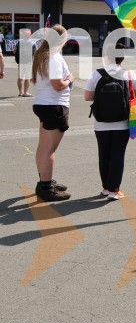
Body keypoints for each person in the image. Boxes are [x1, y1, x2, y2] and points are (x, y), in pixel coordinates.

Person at [84, 42, 136, 200]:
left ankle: (105, 187)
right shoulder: (128, 74)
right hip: (122, 122)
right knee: (117, 154)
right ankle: (114, 189)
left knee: (104, 154)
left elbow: (87, 97)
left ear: (107, 57)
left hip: (100, 123)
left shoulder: (97, 74)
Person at [30, 25, 74, 201]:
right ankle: (46, 188)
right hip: (54, 106)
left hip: (43, 103)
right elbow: (57, 85)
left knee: (43, 147)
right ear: (62, 39)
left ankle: (44, 181)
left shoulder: (41, 56)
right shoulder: (54, 58)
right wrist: (70, 79)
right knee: (49, 150)